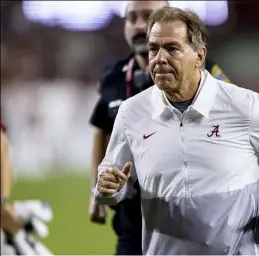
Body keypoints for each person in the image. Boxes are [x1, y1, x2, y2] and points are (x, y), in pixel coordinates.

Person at [95, 6, 259, 255]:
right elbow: (113, 179)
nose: (160, 58)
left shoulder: (242, 105)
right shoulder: (132, 112)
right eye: (154, 48)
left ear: (199, 56)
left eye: (172, 48)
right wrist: (107, 187)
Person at [88, 1, 231, 255]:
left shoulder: (204, 72)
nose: (139, 26)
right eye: (131, 18)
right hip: (132, 220)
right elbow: (101, 130)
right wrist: (96, 189)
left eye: (148, 17)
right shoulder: (114, 78)